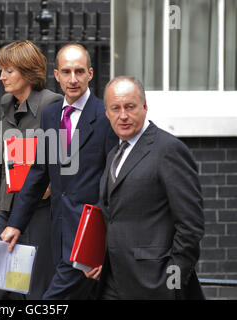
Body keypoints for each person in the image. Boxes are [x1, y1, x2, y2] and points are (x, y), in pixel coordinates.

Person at [1, 43, 118, 300]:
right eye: (66, 72)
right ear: (56, 75)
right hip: (59, 232)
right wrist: (16, 223)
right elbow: (38, 172)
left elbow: (114, 186)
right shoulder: (51, 114)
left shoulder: (105, 116)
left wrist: (103, 246)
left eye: (79, 71)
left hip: (88, 238)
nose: (72, 79)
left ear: (90, 73)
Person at [85, 76, 205, 299]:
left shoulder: (168, 150)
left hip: (154, 285)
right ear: (106, 113)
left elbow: (191, 225)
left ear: (145, 107)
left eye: (130, 107)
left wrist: (172, 283)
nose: (123, 115)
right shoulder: (114, 154)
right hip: (112, 282)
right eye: (116, 108)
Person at [0, 40, 62, 300]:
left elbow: (64, 158)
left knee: (32, 287)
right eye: (1, 70)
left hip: (40, 210)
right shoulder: (7, 104)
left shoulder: (52, 103)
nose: (1, 76)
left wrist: (49, 187)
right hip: (10, 209)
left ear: (28, 71)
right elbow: (7, 164)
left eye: (9, 70)